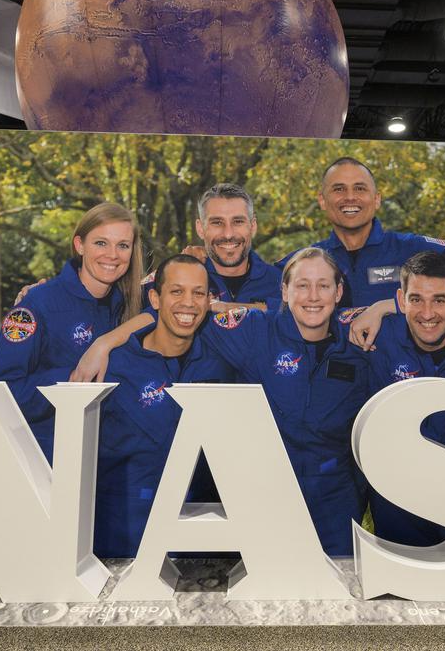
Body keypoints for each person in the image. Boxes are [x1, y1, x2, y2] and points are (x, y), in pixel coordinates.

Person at [79, 248, 373, 556]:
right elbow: (179, 314)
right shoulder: (253, 330)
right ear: (284, 291)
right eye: (302, 285)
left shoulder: (358, 338)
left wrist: (384, 306)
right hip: (268, 496)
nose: (313, 296)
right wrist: (106, 341)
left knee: (340, 590)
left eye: (324, 285)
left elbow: (415, 310)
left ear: (339, 292)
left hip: (334, 496)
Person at [94, 255, 234, 557]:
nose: (188, 303)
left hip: (198, 533)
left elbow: (282, 314)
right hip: (123, 533)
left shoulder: (221, 361)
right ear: (155, 298)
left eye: (198, 293)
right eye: (176, 291)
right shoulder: (113, 366)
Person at [0, 202, 145, 461]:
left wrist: (104, 343)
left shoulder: (129, 303)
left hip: (107, 462)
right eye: (101, 243)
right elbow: (1, 390)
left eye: (123, 245)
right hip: (49, 459)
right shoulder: (37, 303)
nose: (113, 254)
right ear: (80, 245)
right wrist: (72, 381)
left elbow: (178, 305)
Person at [362, 250, 445, 546]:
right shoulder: (380, 336)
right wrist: (376, 309)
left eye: (438, 300)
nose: (427, 313)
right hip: (399, 502)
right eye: (416, 300)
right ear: (401, 301)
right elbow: (314, 310)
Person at [282, 158, 445, 309]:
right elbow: (259, 286)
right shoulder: (308, 261)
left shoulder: (410, 248)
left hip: (399, 381)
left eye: (359, 188)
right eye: (339, 189)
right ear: (322, 200)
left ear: (377, 199)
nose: (350, 197)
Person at [169, 183, 282, 311]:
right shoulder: (174, 281)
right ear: (200, 229)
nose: (228, 234)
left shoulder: (280, 283)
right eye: (217, 223)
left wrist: (221, 307)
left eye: (238, 222)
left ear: (253, 227)